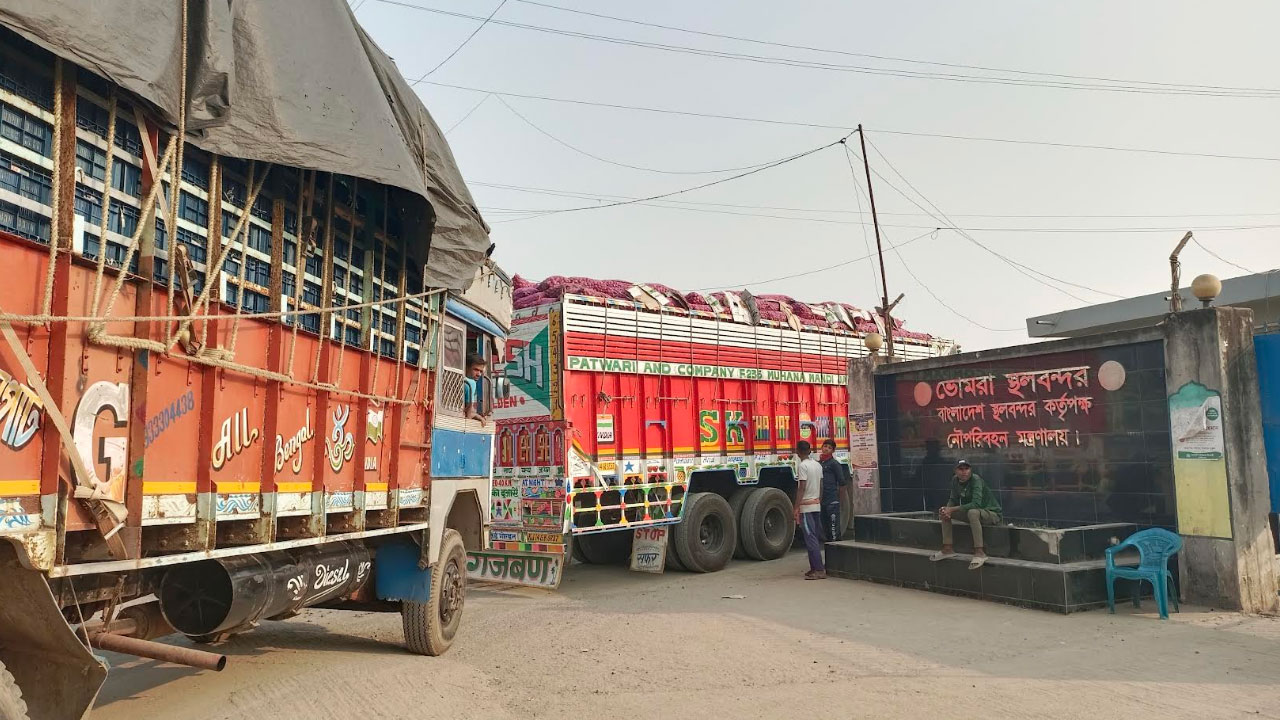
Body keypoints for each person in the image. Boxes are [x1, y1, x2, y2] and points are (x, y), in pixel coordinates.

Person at [930, 460, 1002, 569]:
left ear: (970, 470)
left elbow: (976, 504)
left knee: (972, 512)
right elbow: (953, 499)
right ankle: (947, 548)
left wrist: (952, 509)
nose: (964, 472)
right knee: (944, 512)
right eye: (961, 469)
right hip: (973, 514)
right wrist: (947, 509)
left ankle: (979, 552)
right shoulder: (955, 480)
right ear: (955, 471)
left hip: (991, 514)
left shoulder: (976, 479)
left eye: (966, 469)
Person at [792, 440, 826, 579]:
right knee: (814, 535)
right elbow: (821, 485)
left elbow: (802, 487)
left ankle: (818, 569)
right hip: (816, 504)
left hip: (806, 506)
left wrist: (796, 506)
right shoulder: (817, 465)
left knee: (810, 537)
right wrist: (819, 500)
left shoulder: (803, 466)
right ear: (810, 450)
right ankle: (815, 568)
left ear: (798, 451)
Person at [817, 439, 850, 542]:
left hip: (832, 500)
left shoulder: (834, 464)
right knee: (825, 528)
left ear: (833, 451)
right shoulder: (819, 464)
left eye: (829, 448)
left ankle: (837, 552)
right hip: (822, 501)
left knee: (834, 530)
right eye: (825, 446)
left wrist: (839, 500)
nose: (826, 449)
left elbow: (842, 483)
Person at [463, 353, 490, 425]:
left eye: (481, 371)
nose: (479, 374)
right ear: (467, 367)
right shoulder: (470, 383)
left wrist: (476, 416)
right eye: (476, 370)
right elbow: (468, 415)